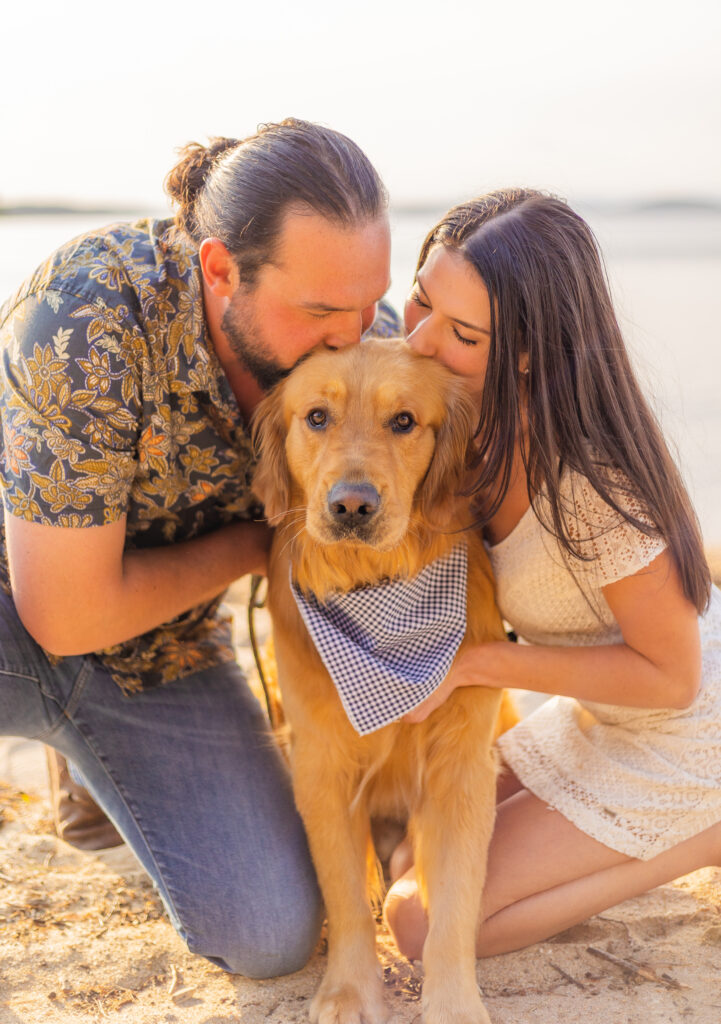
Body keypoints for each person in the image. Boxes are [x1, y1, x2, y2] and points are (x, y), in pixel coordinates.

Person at [0, 117, 398, 978]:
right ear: (220, 271)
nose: (354, 336)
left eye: (370, 302)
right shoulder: (84, 312)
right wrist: (255, 547)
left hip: (160, 641)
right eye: (324, 310)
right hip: (20, 613)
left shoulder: (364, 334)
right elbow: (63, 619)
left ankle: (95, 763)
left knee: (272, 935)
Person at [383, 188, 721, 960]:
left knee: (420, 924)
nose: (421, 340)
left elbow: (672, 677)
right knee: (407, 858)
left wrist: (478, 664)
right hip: (605, 715)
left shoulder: (591, 485)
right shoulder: (464, 415)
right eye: (419, 300)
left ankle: (700, 838)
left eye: (463, 333)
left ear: (528, 351)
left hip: (688, 726)